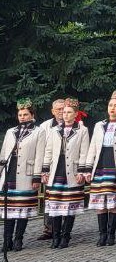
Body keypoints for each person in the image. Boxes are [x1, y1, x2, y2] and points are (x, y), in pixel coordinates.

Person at [80, 92, 116, 247]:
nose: (112, 108)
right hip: (100, 165)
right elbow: (93, 147)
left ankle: (111, 234)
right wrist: (87, 168)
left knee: (113, 201)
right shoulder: (99, 125)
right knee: (100, 201)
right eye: (110, 105)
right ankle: (102, 234)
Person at [40, 97, 89, 248]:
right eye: (64, 112)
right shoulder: (54, 130)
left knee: (69, 205)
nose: (65, 114)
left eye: (68, 112)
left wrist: (81, 171)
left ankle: (65, 236)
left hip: (72, 171)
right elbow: (48, 151)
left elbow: (84, 152)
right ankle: (55, 237)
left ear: (75, 114)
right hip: (56, 170)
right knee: (55, 205)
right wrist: (45, 170)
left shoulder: (82, 130)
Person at [1, 100, 44, 252]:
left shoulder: (38, 131)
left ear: (32, 115)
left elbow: (40, 155)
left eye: (25, 114)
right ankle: (7, 240)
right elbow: (3, 153)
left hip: (27, 173)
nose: (22, 117)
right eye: (20, 115)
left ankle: (18, 239)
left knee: (22, 208)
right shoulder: (11, 131)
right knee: (8, 208)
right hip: (10, 172)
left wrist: (37, 176)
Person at [35, 98, 65, 241]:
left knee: (65, 197)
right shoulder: (45, 126)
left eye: (63, 108)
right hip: (50, 167)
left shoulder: (74, 124)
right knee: (49, 198)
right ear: (53, 111)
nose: (61, 111)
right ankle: (48, 229)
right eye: (58, 109)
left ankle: (63, 229)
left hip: (65, 167)